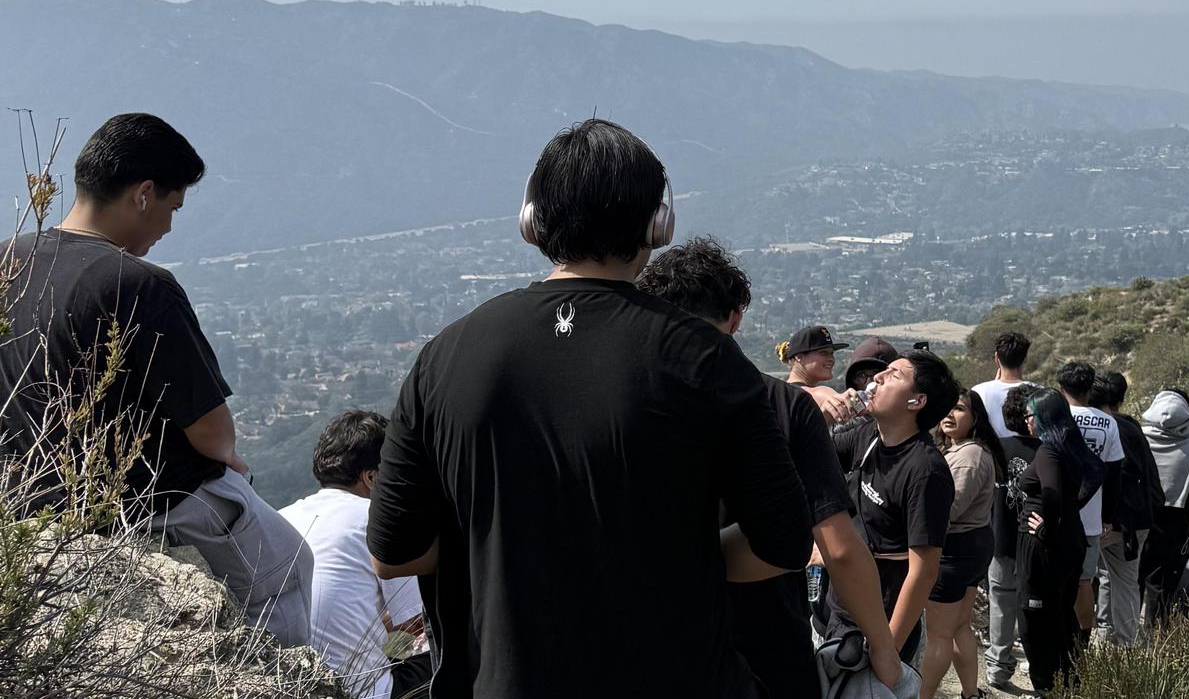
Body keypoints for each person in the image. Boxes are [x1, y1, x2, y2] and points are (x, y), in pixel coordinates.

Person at [366, 119, 812, 697]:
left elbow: (393, 555)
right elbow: (784, 544)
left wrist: (510, 553)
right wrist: (677, 557)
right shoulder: (703, 357)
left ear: (532, 220)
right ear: (658, 223)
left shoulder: (444, 357)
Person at [0, 113, 313, 646]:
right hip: (148, 501)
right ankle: (284, 675)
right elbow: (211, 432)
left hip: (31, 500)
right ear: (144, 195)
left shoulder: (9, 262)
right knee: (288, 567)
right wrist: (231, 461)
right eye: (172, 207)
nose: (168, 227)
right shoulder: (139, 284)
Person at [637, 236, 902, 695]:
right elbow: (839, 548)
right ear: (735, 318)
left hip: (656, 639)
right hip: (766, 647)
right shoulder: (786, 406)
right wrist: (883, 648)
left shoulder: (627, 400)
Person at [279, 411, 429, 699]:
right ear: (371, 478)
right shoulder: (376, 519)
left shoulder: (283, 518)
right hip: (359, 691)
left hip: (285, 684)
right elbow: (419, 621)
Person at [825, 350, 962, 664]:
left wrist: (887, 650)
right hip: (840, 610)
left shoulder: (926, 470)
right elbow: (812, 458)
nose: (878, 377)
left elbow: (923, 571)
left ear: (916, 401)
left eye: (894, 374)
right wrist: (827, 416)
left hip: (879, 624)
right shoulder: (869, 436)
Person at [1017, 388, 1104, 695]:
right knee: (1061, 614)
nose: (1026, 420)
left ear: (1043, 417)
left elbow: (1051, 492)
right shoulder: (1070, 445)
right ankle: (1069, 682)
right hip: (1071, 540)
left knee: (1034, 619)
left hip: (1045, 546)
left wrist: (1047, 530)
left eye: (1030, 415)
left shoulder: (1048, 451)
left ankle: (1047, 686)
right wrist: (1071, 510)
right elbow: (1097, 471)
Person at [920, 391, 1001, 699]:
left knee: (939, 634)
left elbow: (949, 509)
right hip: (971, 546)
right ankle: (970, 693)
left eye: (959, 409)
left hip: (954, 550)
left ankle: (922, 695)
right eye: (947, 407)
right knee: (958, 626)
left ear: (975, 417)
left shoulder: (968, 456)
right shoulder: (966, 450)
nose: (949, 414)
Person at [1091, 371, 1161, 647]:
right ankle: (1126, 646)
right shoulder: (1132, 428)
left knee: (1083, 577)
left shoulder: (1097, 428)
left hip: (1103, 521)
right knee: (1126, 582)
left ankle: (1088, 641)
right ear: (1121, 398)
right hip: (1136, 520)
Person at [1056, 361, 1124, 642]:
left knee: (1056, 582)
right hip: (1091, 520)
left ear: (1061, 388)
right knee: (1085, 581)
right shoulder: (1108, 423)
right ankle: (1082, 642)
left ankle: (1057, 639)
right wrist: (1107, 516)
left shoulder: (1055, 418)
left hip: (1057, 515)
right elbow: (1114, 474)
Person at [1138, 389, 1189, 627]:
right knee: (1160, 587)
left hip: (1138, 520)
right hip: (1173, 528)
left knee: (1132, 581)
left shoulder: (1138, 439)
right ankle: (1156, 635)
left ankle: (1126, 637)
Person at [985, 385, 1043, 690]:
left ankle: (997, 666)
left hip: (1001, 538)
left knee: (1001, 604)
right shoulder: (1047, 451)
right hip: (1036, 542)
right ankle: (1040, 670)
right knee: (1035, 608)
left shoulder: (997, 448)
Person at [971, 331, 1037, 439]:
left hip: (990, 450)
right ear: (1025, 358)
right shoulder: (1039, 393)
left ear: (996, 358)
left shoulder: (978, 392)